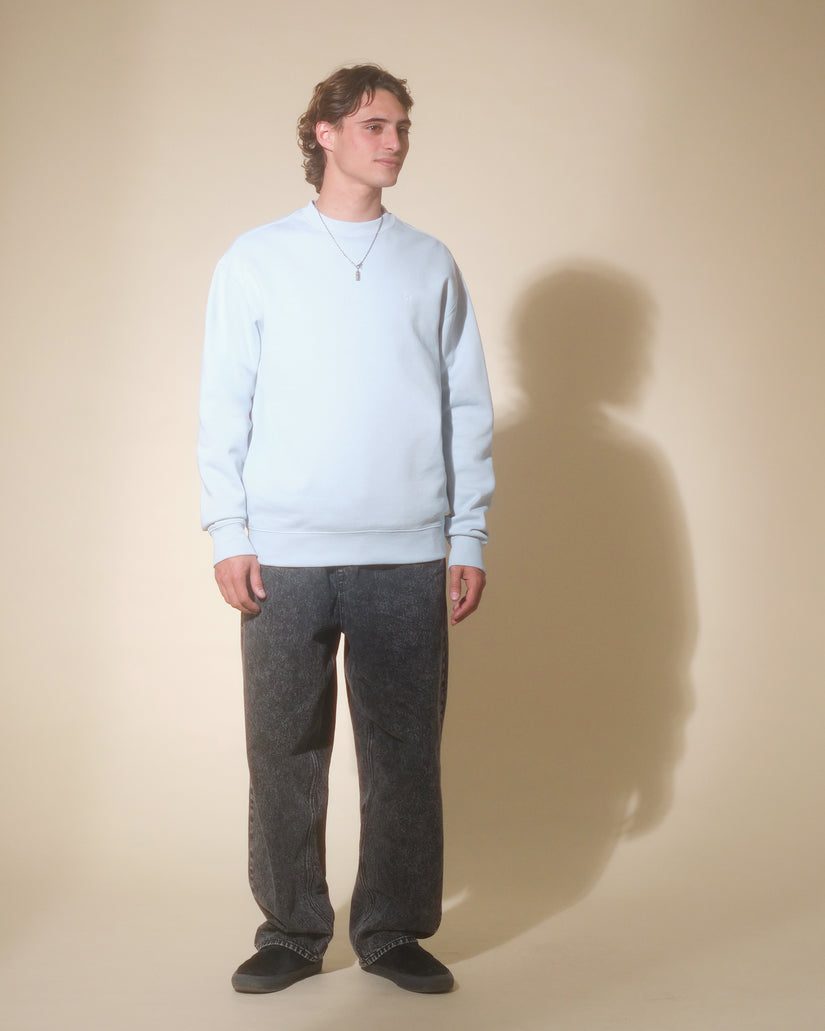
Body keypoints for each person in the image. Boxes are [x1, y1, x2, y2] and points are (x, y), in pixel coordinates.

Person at [198, 63, 494, 995]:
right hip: (283, 554)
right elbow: (223, 404)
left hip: (406, 552)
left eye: (401, 127)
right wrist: (228, 528)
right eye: (374, 125)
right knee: (283, 750)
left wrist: (467, 535)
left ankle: (392, 929)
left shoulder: (429, 261)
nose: (393, 141)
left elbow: (465, 408)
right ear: (323, 133)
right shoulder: (256, 258)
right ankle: (291, 930)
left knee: (403, 754)